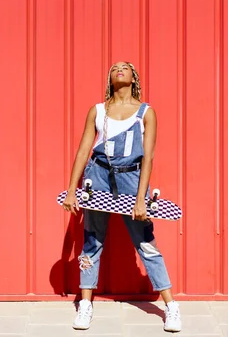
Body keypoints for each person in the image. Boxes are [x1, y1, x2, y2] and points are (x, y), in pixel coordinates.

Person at [62, 61, 182, 332]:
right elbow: (84, 151)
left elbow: (148, 157)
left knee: (146, 243)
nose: (119, 69)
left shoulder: (146, 112)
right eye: (114, 67)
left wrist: (141, 198)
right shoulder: (98, 110)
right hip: (98, 176)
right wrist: (73, 188)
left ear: (133, 77)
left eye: (125, 67)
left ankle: (171, 306)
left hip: (132, 179)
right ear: (110, 78)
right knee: (91, 241)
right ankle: (85, 304)